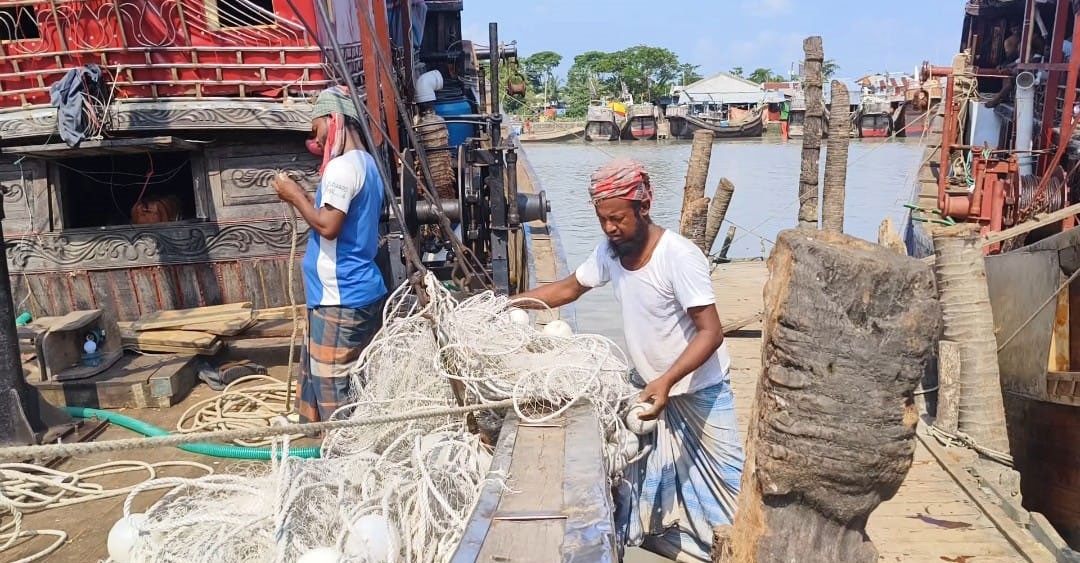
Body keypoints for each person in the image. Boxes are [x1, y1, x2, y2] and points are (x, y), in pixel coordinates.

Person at [514, 159, 744, 561]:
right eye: (602, 219)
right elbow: (569, 289)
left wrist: (668, 381)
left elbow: (711, 332)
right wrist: (508, 304)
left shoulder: (679, 256)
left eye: (617, 218)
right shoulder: (610, 253)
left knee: (729, 492)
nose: (609, 228)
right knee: (638, 493)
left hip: (701, 391)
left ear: (644, 205)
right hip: (651, 388)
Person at [272, 87, 387, 423]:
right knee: (315, 379)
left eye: (316, 127)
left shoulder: (342, 168)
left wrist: (294, 195)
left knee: (332, 386)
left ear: (333, 120)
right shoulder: (367, 164)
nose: (316, 139)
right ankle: (313, 446)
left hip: (341, 298)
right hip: (348, 294)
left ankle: (343, 457)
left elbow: (328, 225)